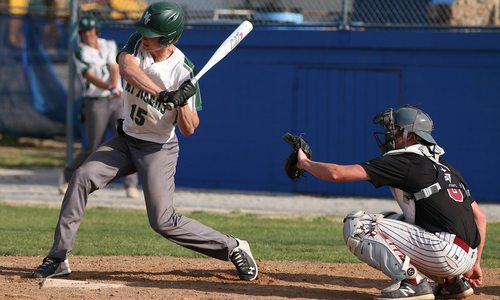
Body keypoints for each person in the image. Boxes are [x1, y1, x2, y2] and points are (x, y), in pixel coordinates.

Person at [31, 2, 258, 281]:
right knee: (81, 177)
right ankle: (58, 257)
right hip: (126, 141)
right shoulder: (138, 44)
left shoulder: (184, 72)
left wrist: (181, 102)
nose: (144, 36)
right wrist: (164, 94)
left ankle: (233, 247)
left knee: (162, 221)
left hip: (158, 149)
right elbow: (126, 68)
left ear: (169, 38)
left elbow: (190, 129)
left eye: (152, 33)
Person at [294, 105, 486, 299]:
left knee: (358, 225)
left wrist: (304, 163)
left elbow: (337, 174)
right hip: (465, 258)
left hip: (443, 253)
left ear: (411, 136)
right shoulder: (446, 166)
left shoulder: (406, 160)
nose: (389, 136)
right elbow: (480, 217)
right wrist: (475, 263)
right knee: (392, 218)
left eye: (394, 131)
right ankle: (453, 283)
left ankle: (412, 283)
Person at [59, 14, 140, 199]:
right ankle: (67, 175)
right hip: (95, 101)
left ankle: (130, 185)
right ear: (81, 33)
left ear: (96, 30)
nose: (88, 34)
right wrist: (108, 87)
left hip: (116, 100)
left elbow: (114, 66)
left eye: (91, 30)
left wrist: (113, 85)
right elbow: (89, 75)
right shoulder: (80, 51)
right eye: (85, 31)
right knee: (93, 146)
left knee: (127, 140)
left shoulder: (108, 44)